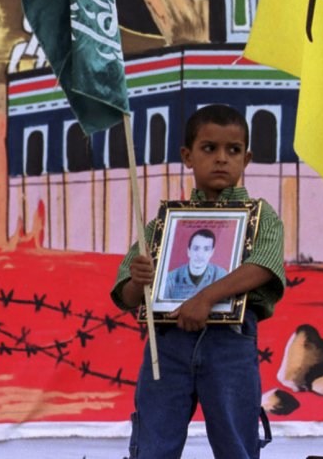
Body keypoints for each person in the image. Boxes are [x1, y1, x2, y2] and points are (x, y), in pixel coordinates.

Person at [110, 104, 285, 459]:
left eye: (233, 150)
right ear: (187, 156)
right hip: (167, 344)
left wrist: (205, 298)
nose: (221, 158)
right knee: (154, 442)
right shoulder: (164, 223)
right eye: (209, 148)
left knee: (236, 443)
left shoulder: (260, 214)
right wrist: (138, 279)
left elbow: (263, 266)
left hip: (230, 343)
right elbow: (127, 295)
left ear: (246, 159)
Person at [163, 229, 228, 300]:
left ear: (212, 252)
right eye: (196, 248)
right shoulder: (171, 278)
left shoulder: (221, 276)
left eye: (206, 249)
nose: (200, 255)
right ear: (188, 251)